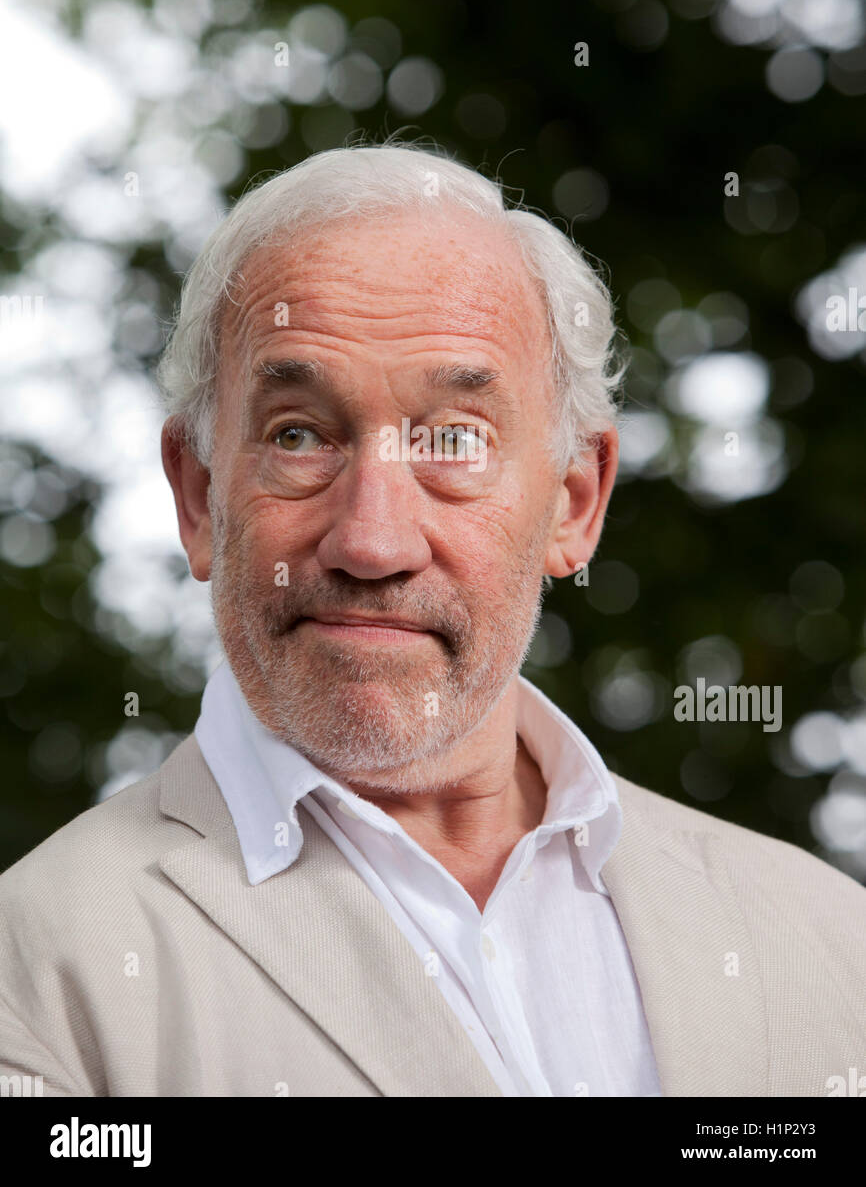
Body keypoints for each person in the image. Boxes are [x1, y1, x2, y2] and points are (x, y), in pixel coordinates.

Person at [1, 142, 863, 1098]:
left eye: (455, 440)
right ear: (199, 497)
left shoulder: (827, 942)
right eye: (298, 435)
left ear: (573, 503)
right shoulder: (35, 971)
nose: (372, 541)